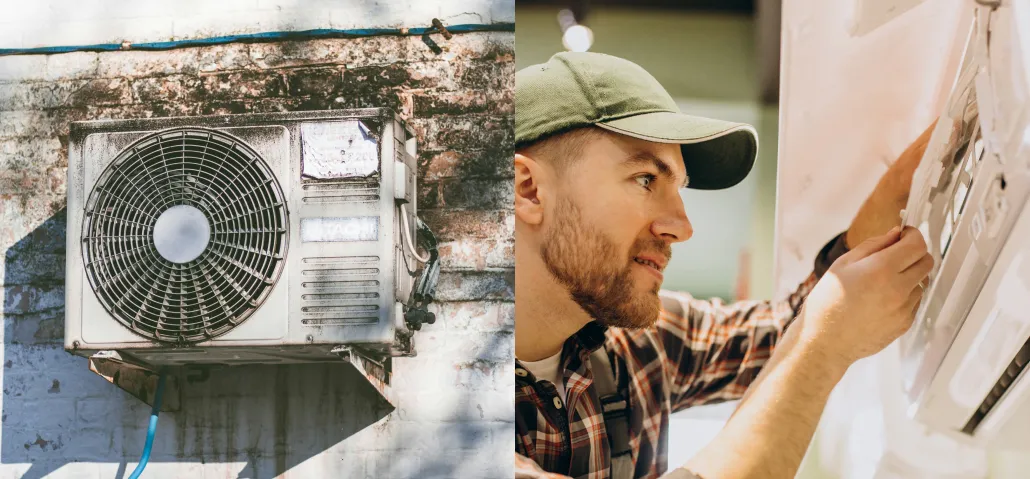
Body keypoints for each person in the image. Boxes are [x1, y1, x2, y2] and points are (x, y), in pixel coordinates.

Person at [513, 52, 935, 479]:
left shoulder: (634, 344)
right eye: (645, 179)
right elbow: (812, 337)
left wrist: (897, 193)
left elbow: (790, 328)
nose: (682, 227)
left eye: (678, 188)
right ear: (528, 190)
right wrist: (824, 352)